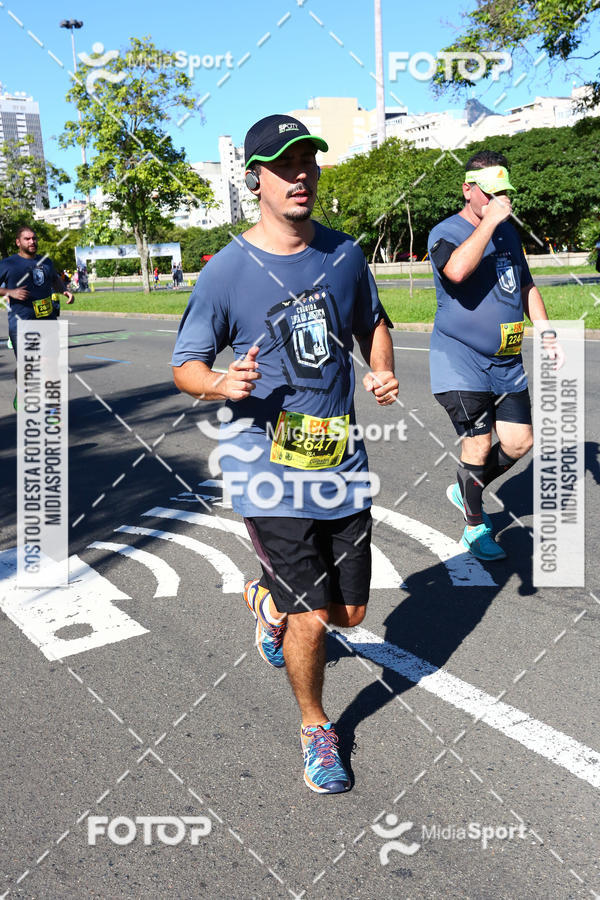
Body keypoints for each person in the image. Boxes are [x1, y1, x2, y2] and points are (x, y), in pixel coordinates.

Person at [172, 114, 398, 794]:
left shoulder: (345, 255)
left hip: (341, 464)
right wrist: (220, 384)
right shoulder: (226, 272)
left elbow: (373, 323)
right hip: (265, 472)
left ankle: (266, 603)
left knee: (349, 615)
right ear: (256, 180)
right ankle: (315, 727)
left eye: (309, 161)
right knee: (313, 618)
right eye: (284, 165)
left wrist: (381, 368)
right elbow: (185, 365)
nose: (302, 175)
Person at [428, 150, 562, 561]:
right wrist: (488, 223)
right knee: (479, 444)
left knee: (520, 442)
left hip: (506, 361)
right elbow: (456, 271)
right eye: (490, 193)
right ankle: (474, 527)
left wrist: (546, 330)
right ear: (467, 190)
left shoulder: (508, 234)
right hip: (460, 360)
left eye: (503, 193)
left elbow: (525, 285)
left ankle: (466, 488)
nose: (499, 201)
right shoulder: (445, 232)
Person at [0, 226, 74, 409]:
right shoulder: (8, 264)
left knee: (50, 363)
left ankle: (52, 407)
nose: (32, 241)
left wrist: (64, 290)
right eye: (27, 239)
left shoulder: (45, 261)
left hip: (47, 321)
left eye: (34, 238)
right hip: (22, 323)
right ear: (18, 242)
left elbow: (54, 279)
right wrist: (10, 292)